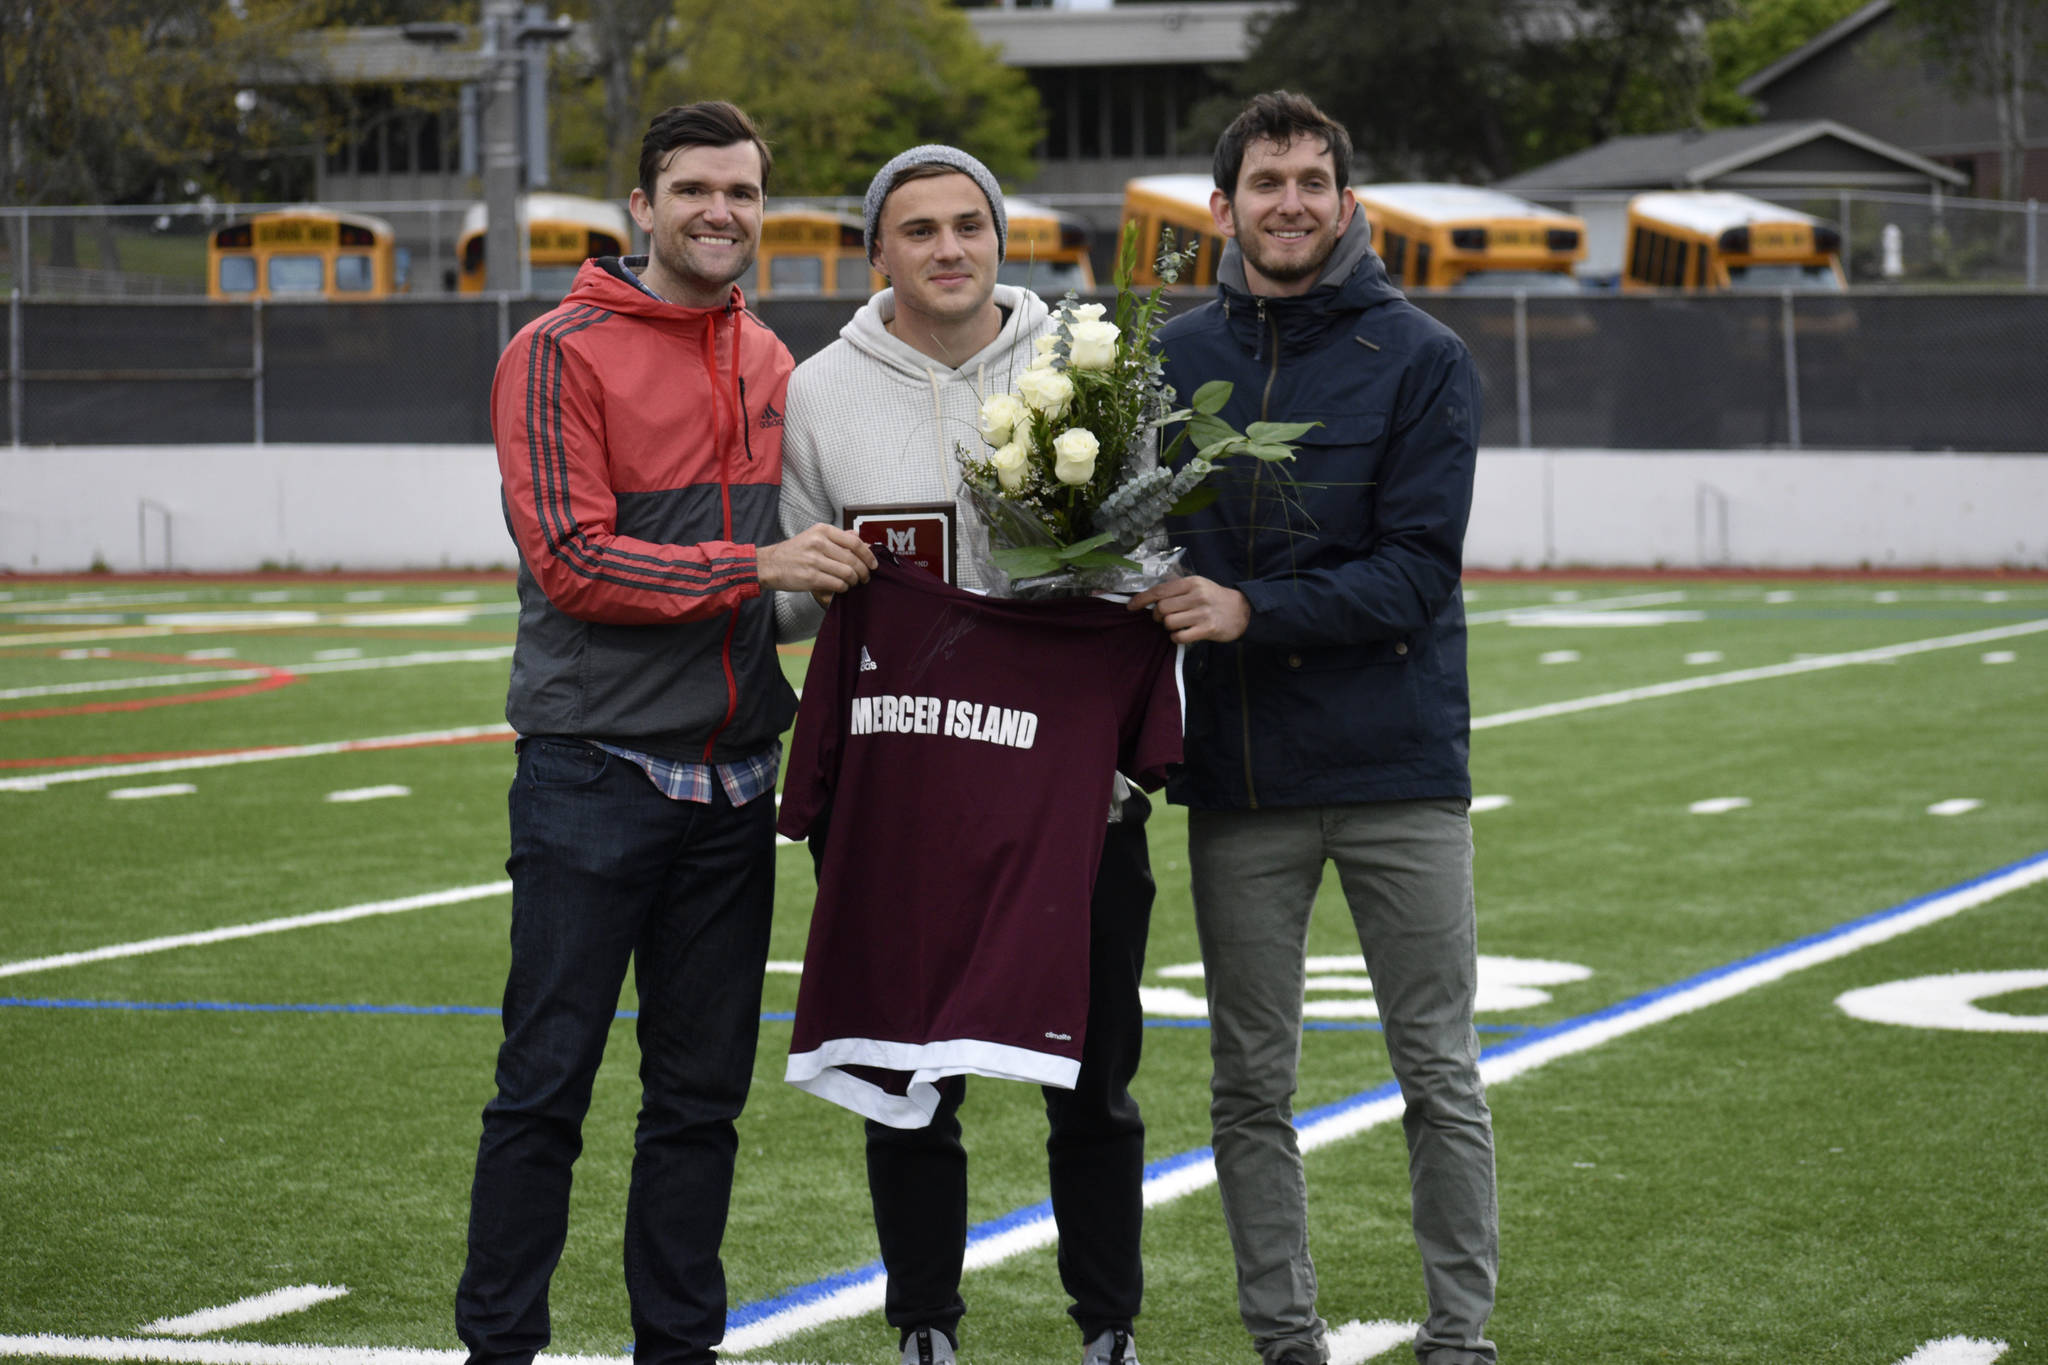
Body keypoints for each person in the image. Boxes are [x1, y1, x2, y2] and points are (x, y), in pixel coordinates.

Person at [455, 100, 876, 1365]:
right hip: (595, 776)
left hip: (735, 790)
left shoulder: (772, 361)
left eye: (742, 193)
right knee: (544, 1092)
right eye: (693, 189)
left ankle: (679, 1352)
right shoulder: (553, 350)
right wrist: (758, 565)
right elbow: (575, 560)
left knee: (699, 1108)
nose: (719, 213)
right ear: (640, 206)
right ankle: (498, 1348)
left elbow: (789, 587)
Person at [1128, 91, 1497, 1365]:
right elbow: (1132, 551)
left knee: (1436, 1072)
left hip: (1398, 770)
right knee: (1248, 1086)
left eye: (1310, 180)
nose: (1289, 202)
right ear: (1219, 210)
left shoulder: (1424, 357)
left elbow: (1414, 574)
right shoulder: (1167, 360)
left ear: (1347, 203)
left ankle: (1460, 1337)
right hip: (1242, 777)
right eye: (1263, 182)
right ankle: (1283, 1336)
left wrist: (1247, 608)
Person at [776, 144, 1154, 1365]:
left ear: (1001, 239)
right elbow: (792, 598)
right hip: (905, 802)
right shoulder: (820, 391)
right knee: (908, 1077)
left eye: (969, 226)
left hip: (1070, 801)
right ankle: (924, 1326)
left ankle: (1106, 1326)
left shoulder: (1085, 366)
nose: (948, 249)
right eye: (919, 229)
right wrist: (811, 574)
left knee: (1090, 1081)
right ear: (876, 251)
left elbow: (1145, 568)